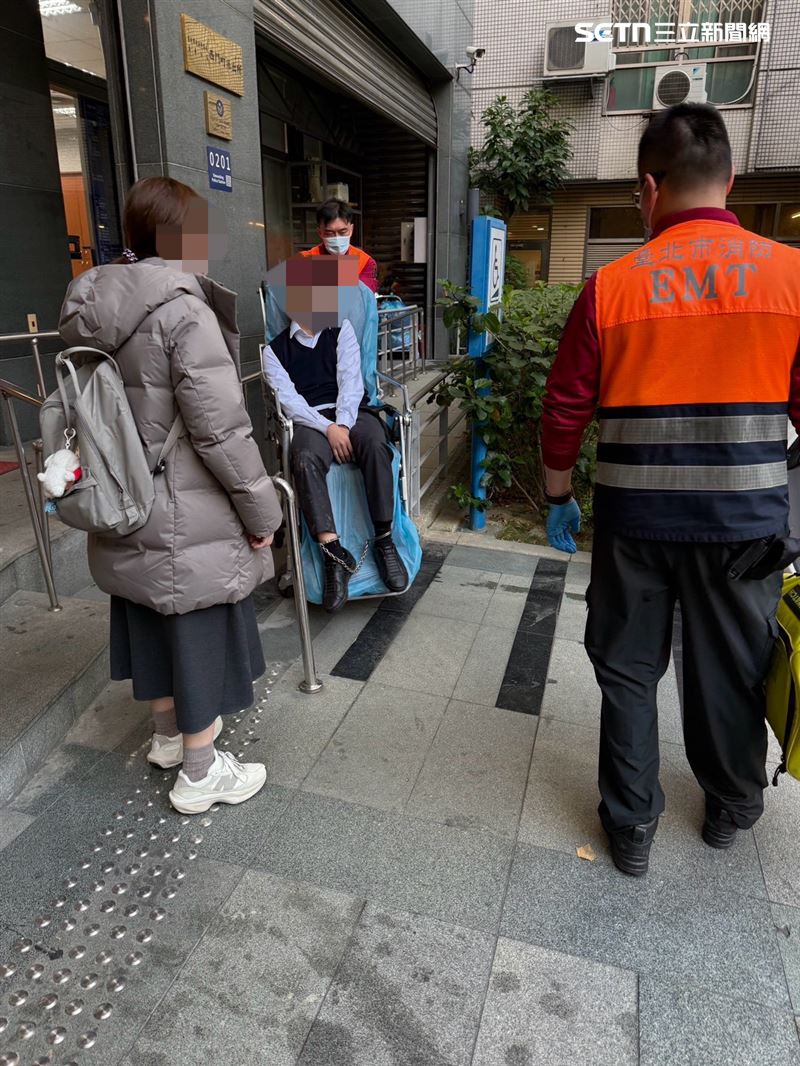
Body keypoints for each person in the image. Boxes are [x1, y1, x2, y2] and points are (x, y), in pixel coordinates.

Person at [541, 103, 800, 876]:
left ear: (648, 187)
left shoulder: (611, 287)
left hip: (634, 522)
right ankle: (730, 807)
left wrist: (559, 495)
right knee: (732, 664)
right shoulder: (791, 276)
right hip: (745, 524)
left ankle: (630, 828)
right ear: (731, 179)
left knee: (627, 668)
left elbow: (565, 408)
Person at [59, 176, 283, 816]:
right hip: (186, 508)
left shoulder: (90, 305)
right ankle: (200, 771)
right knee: (195, 625)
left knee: (147, 611)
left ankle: (164, 739)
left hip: (119, 497)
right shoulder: (185, 310)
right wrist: (263, 513)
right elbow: (223, 433)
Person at [262, 254, 408, 612]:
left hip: (351, 411)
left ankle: (385, 540)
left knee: (375, 442)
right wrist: (328, 428)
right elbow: (290, 401)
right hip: (311, 421)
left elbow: (352, 383)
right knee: (304, 456)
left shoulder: (341, 331)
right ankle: (333, 555)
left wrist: (343, 424)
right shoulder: (273, 351)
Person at [301, 198, 379, 293]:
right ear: (319, 232)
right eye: (329, 233)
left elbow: (363, 299)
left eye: (342, 232)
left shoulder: (365, 262)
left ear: (351, 229)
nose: (337, 238)